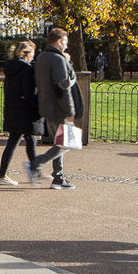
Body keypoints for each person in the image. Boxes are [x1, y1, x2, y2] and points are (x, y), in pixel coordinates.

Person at [35, 27, 82, 190]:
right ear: (58, 42)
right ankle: (40, 166)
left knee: (61, 142)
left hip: (46, 106)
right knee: (65, 143)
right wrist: (70, 112)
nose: (66, 46)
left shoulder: (41, 57)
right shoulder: (57, 59)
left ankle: (58, 177)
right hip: (58, 108)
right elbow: (63, 87)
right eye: (65, 43)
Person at [0, 40, 44, 186]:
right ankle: (33, 172)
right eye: (33, 55)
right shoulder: (27, 70)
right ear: (27, 54)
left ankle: (32, 172)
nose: (33, 58)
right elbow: (29, 92)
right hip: (24, 110)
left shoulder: (11, 68)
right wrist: (37, 106)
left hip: (13, 109)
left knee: (25, 139)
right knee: (23, 140)